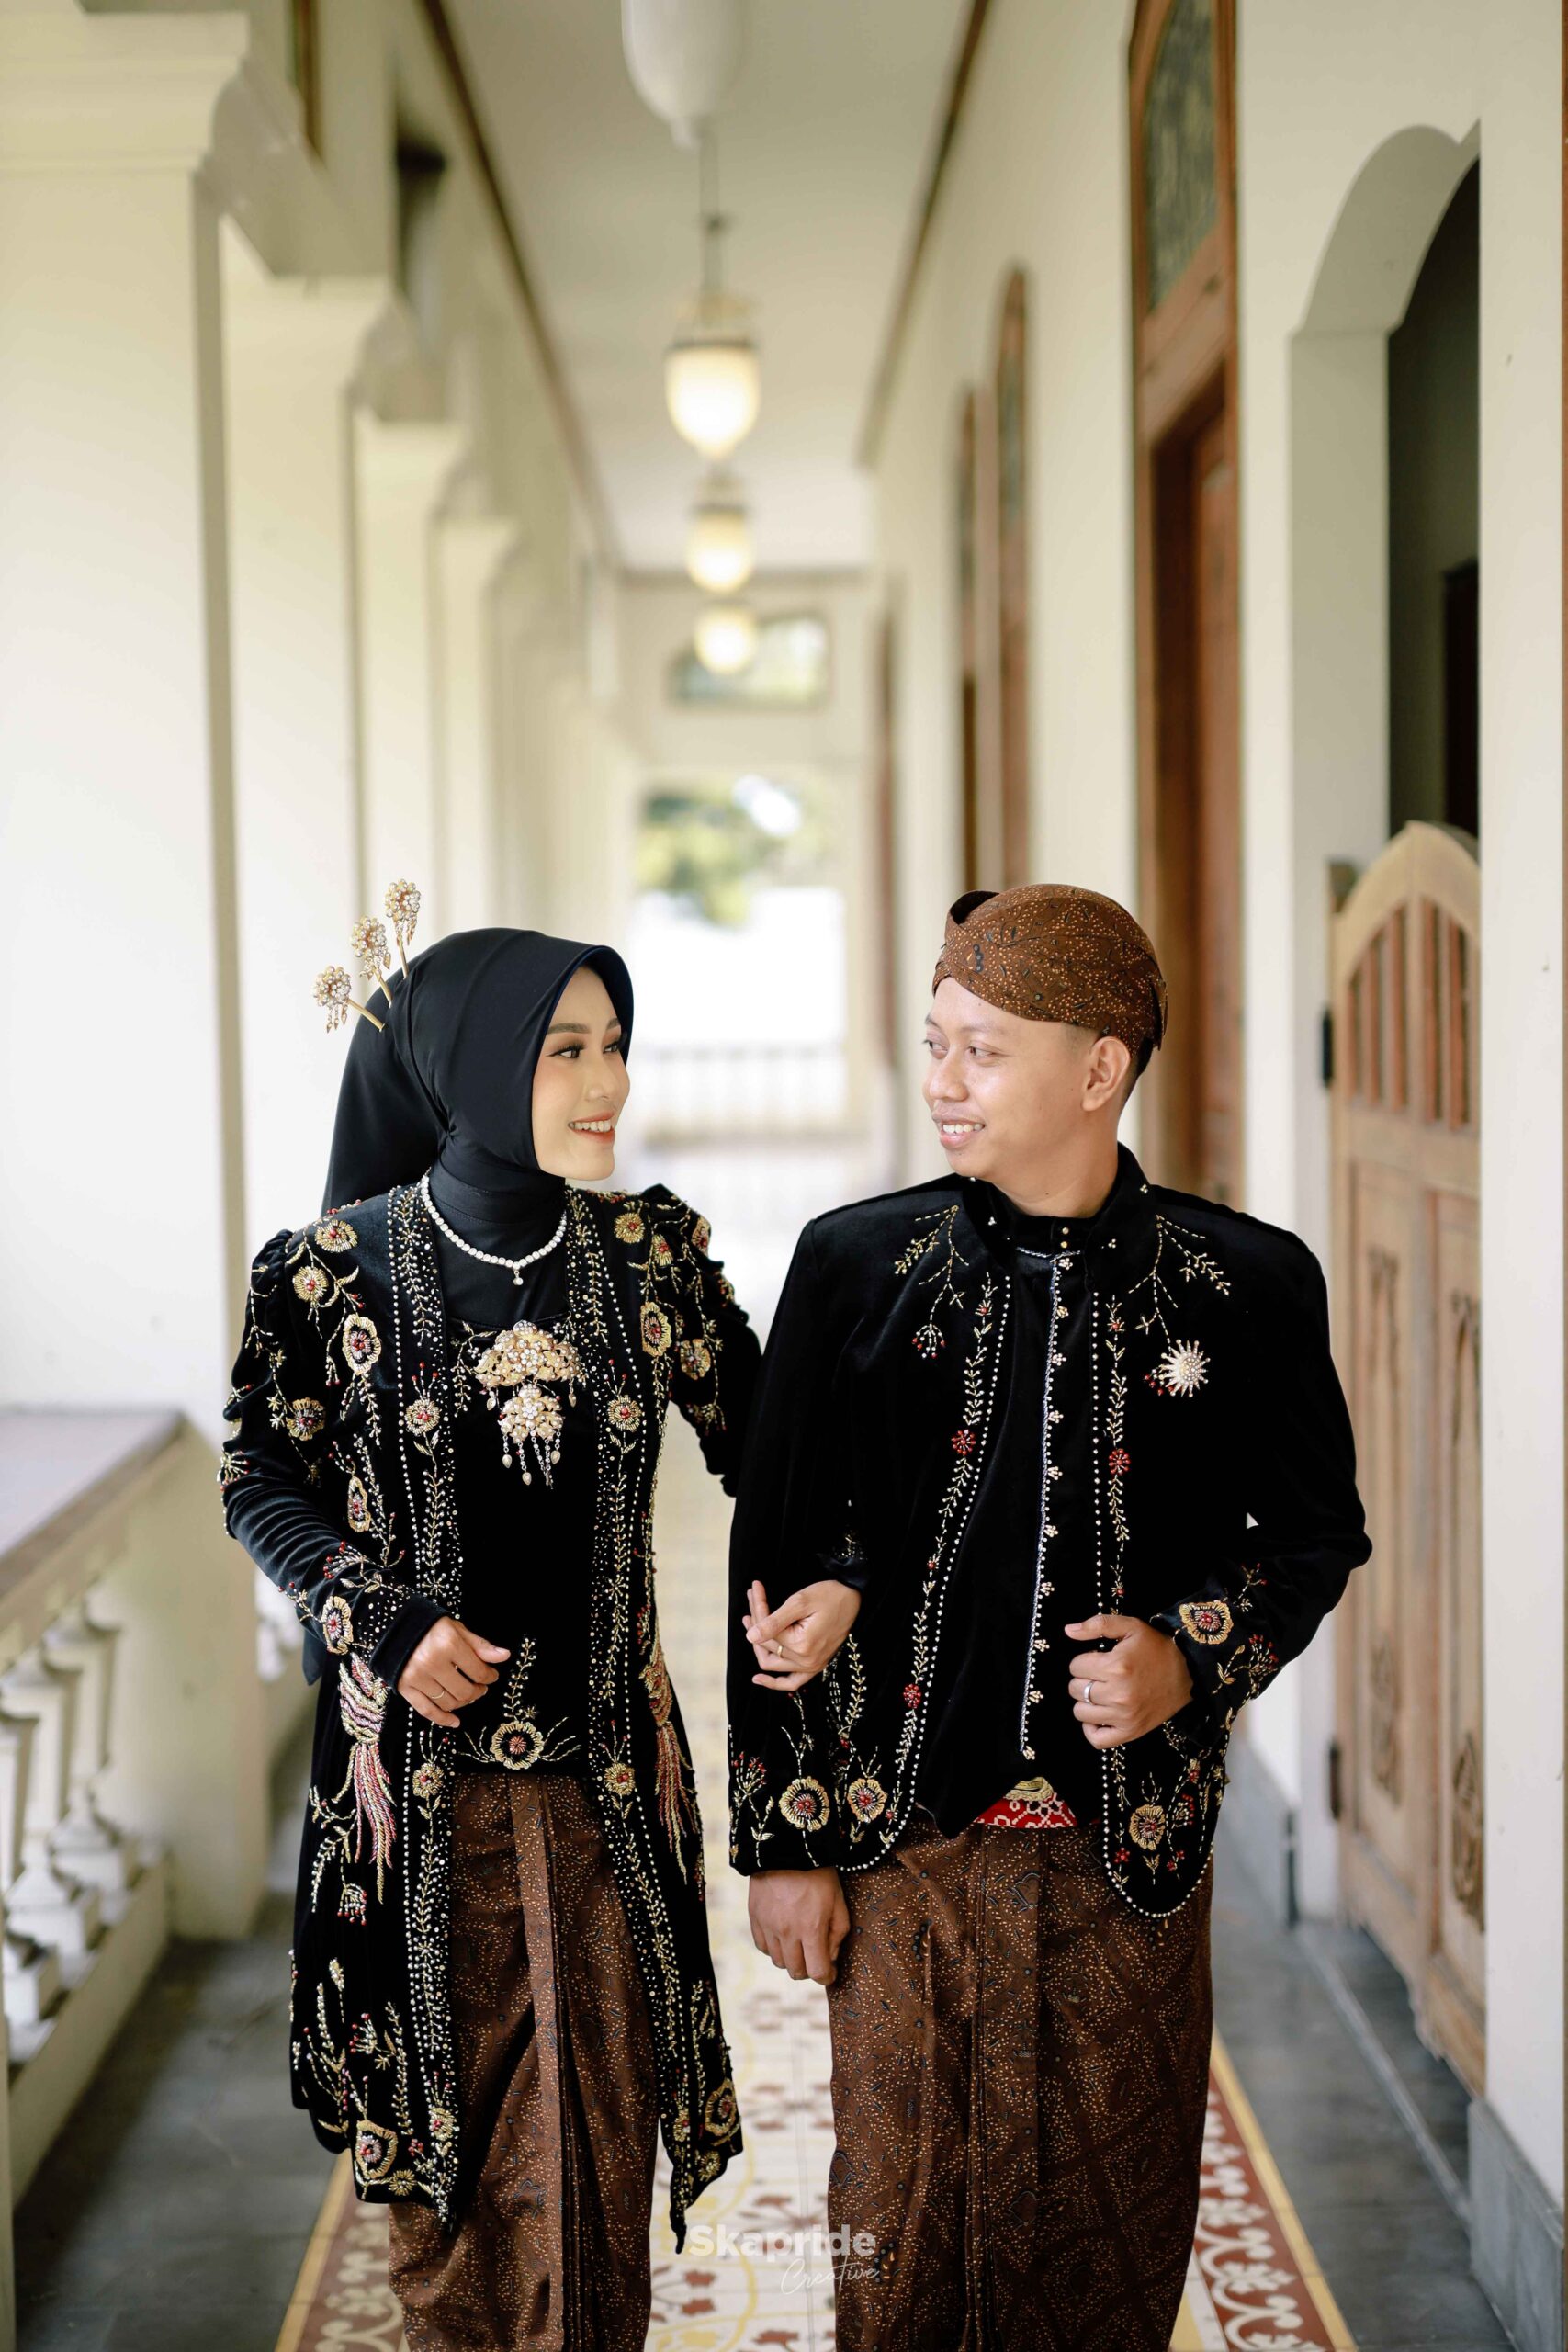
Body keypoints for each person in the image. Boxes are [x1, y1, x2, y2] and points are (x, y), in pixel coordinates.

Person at [726, 881, 1371, 2351]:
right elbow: (775, 1554)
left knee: (1111, 2243)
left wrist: (1189, 1659)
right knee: (897, 2237)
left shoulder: (1248, 1285)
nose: (941, 1083)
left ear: (1098, 1070)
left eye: (981, 1050)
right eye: (934, 1043)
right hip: (901, 1845)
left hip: (1128, 1859)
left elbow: (1316, 1540)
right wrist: (782, 1842)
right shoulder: (853, 1268)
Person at [220, 910, 758, 2352]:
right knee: (446, 2195)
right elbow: (258, 1476)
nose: (610, 1082)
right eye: (566, 1049)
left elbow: (773, 1447)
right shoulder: (326, 1276)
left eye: (616, 1045)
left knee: (600, 2168)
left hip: (610, 1809)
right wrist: (378, 1618)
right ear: (471, 1062)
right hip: (413, 1820)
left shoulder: (650, 1259)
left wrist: (833, 1559)